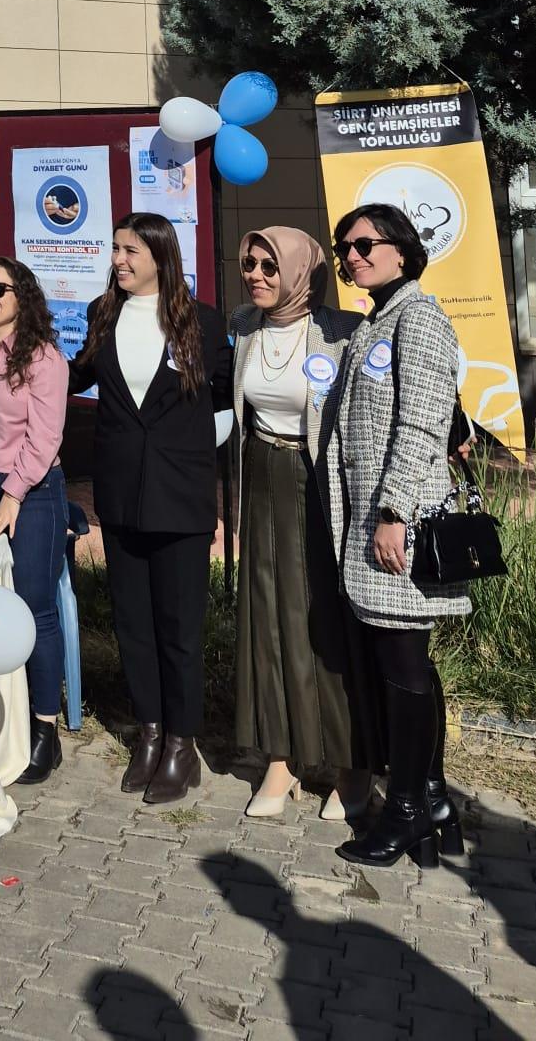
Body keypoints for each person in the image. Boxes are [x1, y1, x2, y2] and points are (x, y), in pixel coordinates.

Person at [324, 202, 469, 869]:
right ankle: (432, 799)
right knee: (406, 664)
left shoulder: (420, 317)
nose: (352, 257)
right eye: (344, 248)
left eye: (365, 245)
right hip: (372, 522)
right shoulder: (376, 320)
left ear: (403, 251)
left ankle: (406, 810)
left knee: (404, 664)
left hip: (396, 525)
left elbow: (422, 424)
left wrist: (394, 513)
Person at [77, 211, 233, 804]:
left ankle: (181, 744)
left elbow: (226, 395)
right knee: (133, 624)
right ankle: (149, 733)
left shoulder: (202, 322)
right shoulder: (102, 314)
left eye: (130, 251)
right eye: (116, 249)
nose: (119, 260)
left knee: (179, 629)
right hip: (120, 494)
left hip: (180, 498)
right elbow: (78, 373)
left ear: (161, 257)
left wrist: (191, 451)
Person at [232, 227, 369, 822]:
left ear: (300, 273)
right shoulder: (243, 326)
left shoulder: (342, 333)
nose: (256, 275)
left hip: (321, 486)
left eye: (270, 266)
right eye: (249, 263)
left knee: (323, 621)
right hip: (262, 477)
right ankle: (282, 757)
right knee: (267, 617)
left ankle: (351, 764)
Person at [0, 257, 69, 784]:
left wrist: (13, 494)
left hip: (32, 491)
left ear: (22, 296)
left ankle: (45, 729)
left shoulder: (45, 359)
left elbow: (44, 438)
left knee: (33, 606)